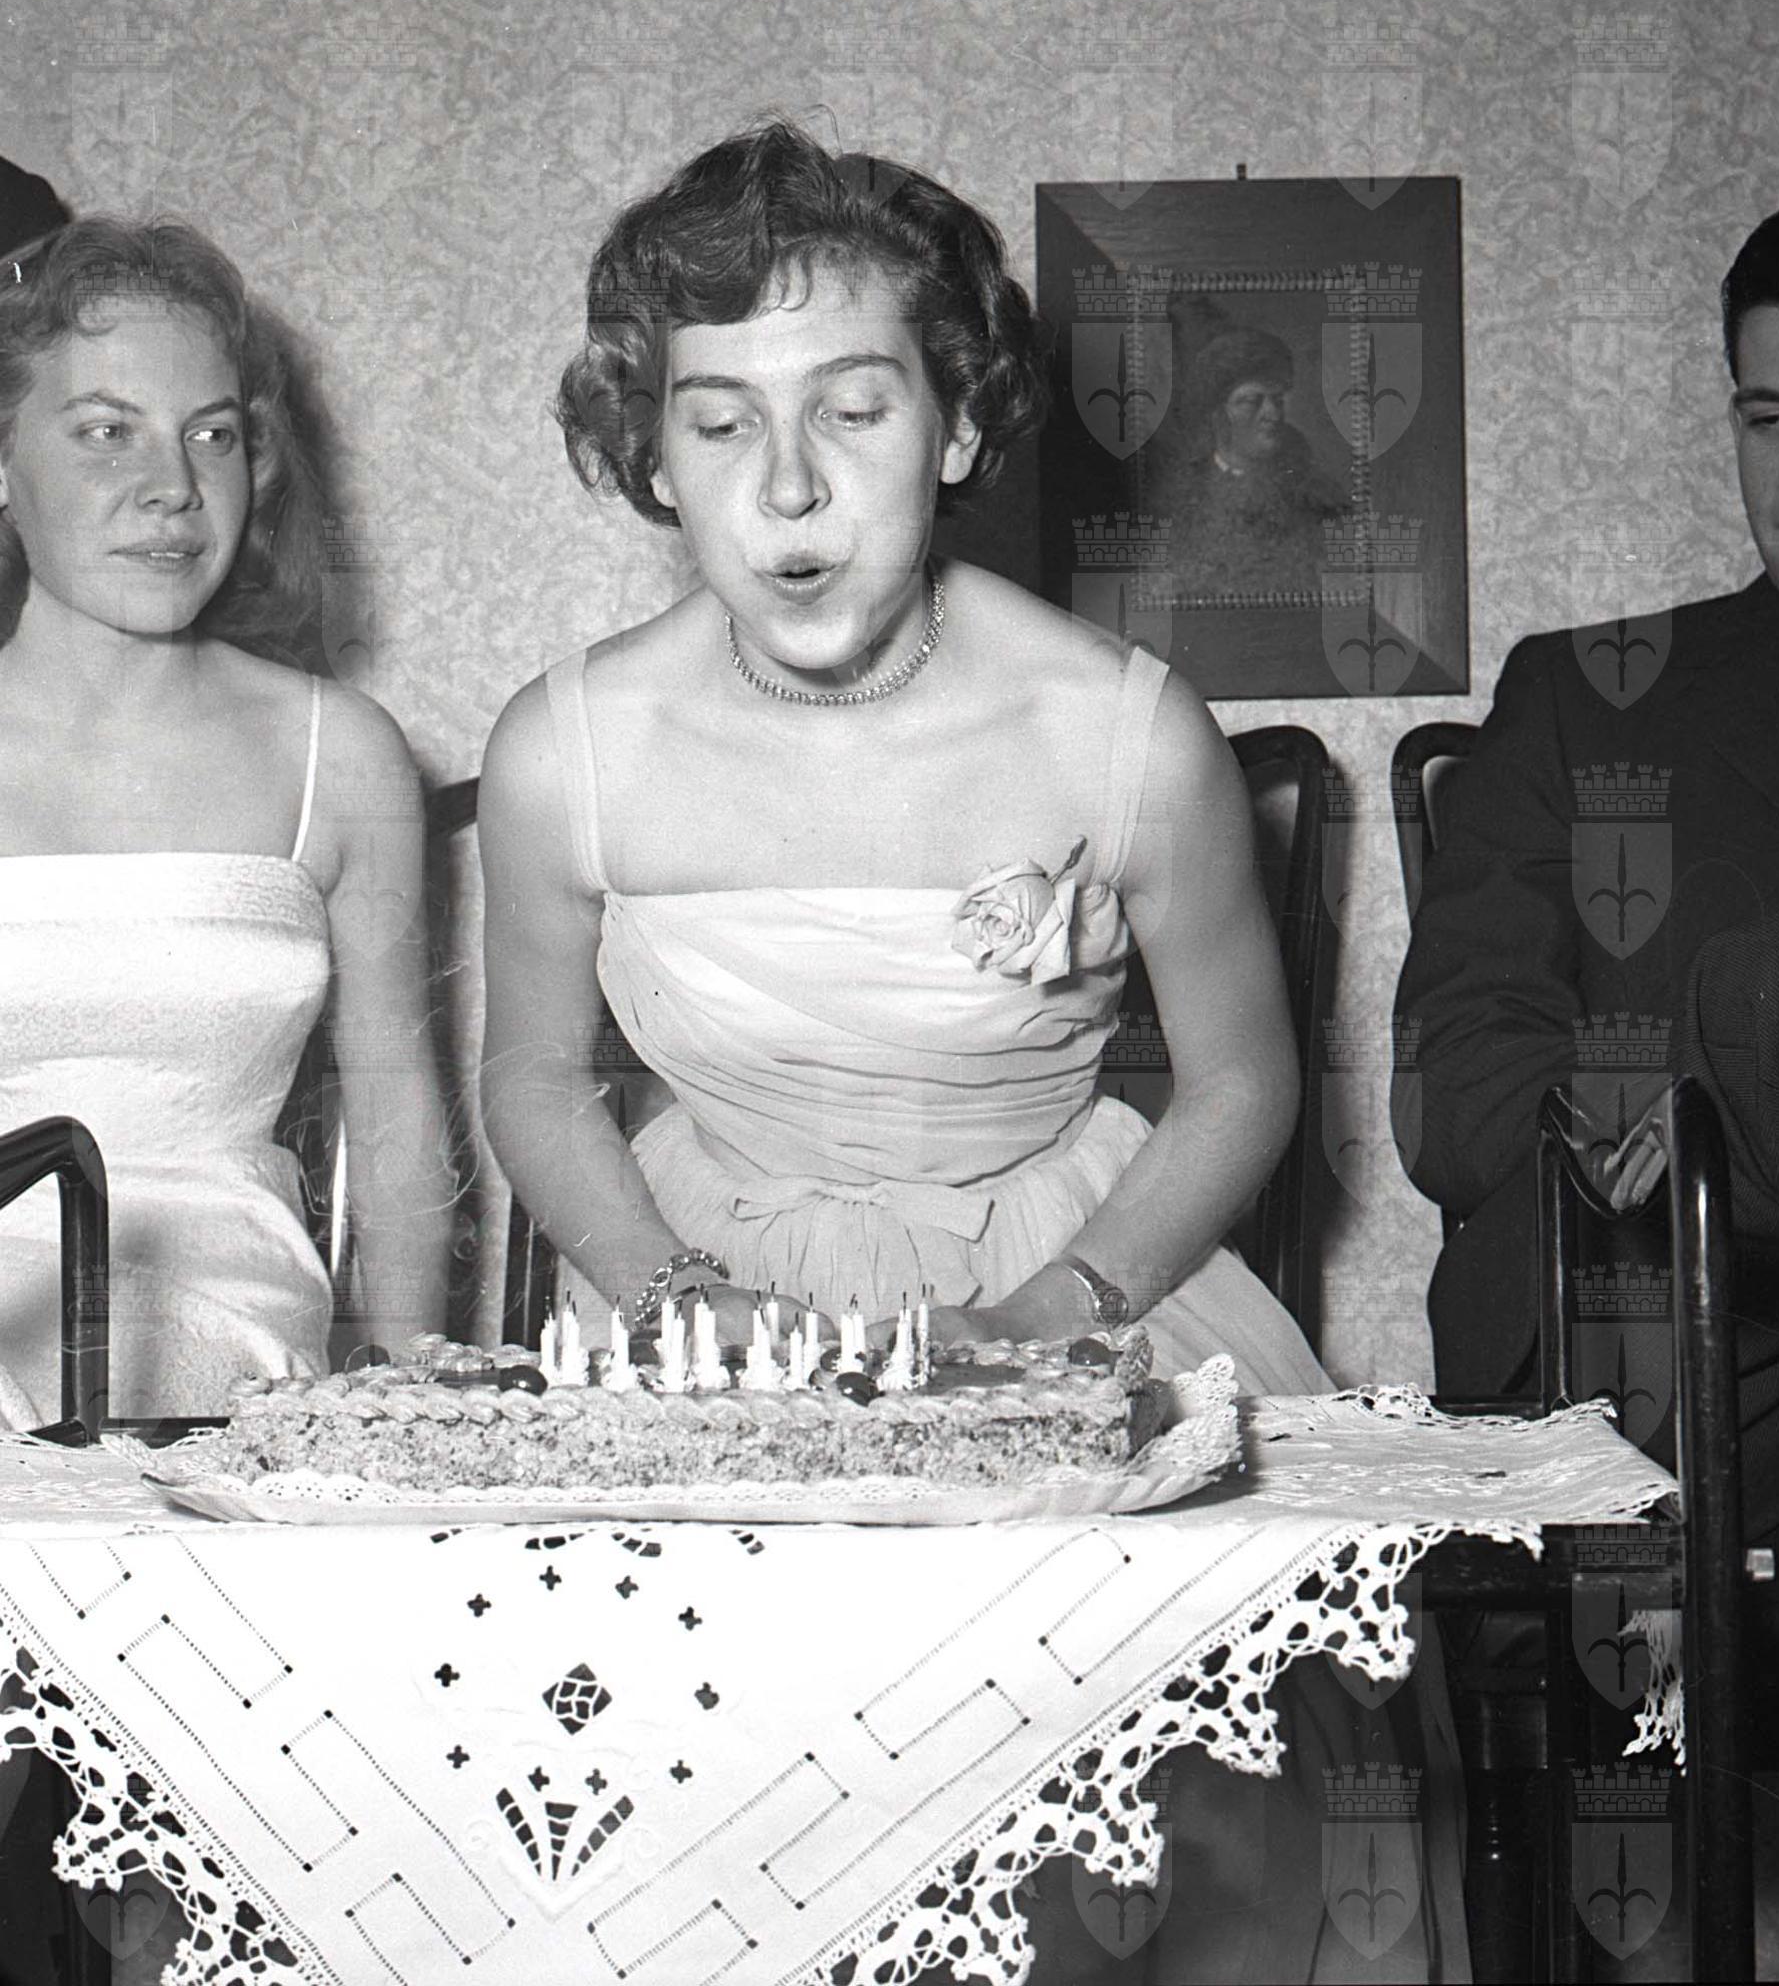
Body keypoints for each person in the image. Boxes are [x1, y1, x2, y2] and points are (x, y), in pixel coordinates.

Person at [479, 121, 1467, 1982]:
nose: (787, 487)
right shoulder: (564, 752)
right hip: (699, 1288)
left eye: (851, 411)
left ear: (950, 424)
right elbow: (533, 1077)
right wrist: (674, 1292)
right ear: (651, 458)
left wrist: (1057, 1316)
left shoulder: (1122, 731)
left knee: (1138, 1810)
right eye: (718, 423)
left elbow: (1244, 1083)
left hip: (1072, 1271)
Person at [1397, 196, 1779, 1617]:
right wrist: (1733, 1097)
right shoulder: (1580, 698)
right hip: (1675, 1363)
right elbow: (1457, 1096)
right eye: (1765, 416)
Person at [0, 208, 454, 1428]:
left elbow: (397, 1115)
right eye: (107, 432)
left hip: (224, 1341)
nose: (173, 488)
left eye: (213, 434)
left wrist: (402, 1403)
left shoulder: (338, 755)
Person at [1159, 325, 1352, 595]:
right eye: (1252, 401)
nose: (1273, 414)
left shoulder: (1318, 496)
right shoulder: (1179, 498)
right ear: (1218, 414)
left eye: (1277, 399)